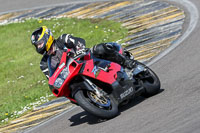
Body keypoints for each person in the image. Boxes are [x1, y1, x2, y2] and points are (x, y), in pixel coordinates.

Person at [31, 26, 135, 79]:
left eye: (40, 43)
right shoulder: (44, 63)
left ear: (47, 38)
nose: (39, 47)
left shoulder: (63, 39)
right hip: (72, 76)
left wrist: (79, 50)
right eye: (37, 45)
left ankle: (126, 62)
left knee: (99, 49)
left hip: (86, 60)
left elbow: (78, 41)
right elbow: (51, 78)